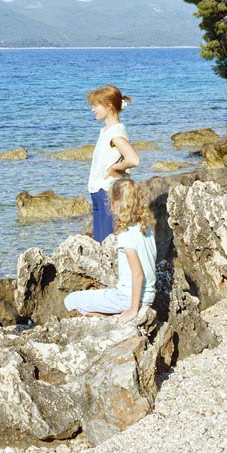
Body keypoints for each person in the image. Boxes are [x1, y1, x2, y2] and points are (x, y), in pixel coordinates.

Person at [64, 178, 157, 323]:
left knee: (70, 301)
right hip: (149, 296)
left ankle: (112, 319)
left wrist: (133, 309)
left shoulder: (126, 235)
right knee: (97, 296)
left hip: (128, 298)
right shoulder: (146, 228)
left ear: (114, 204)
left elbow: (138, 274)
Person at [86, 85, 140, 242]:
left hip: (107, 192)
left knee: (107, 242)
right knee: (100, 243)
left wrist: (116, 168)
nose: (93, 109)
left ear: (109, 106)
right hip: (98, 191)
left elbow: (134, 159)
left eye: (96, 105)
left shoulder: (115, 133)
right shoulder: (107, 131)